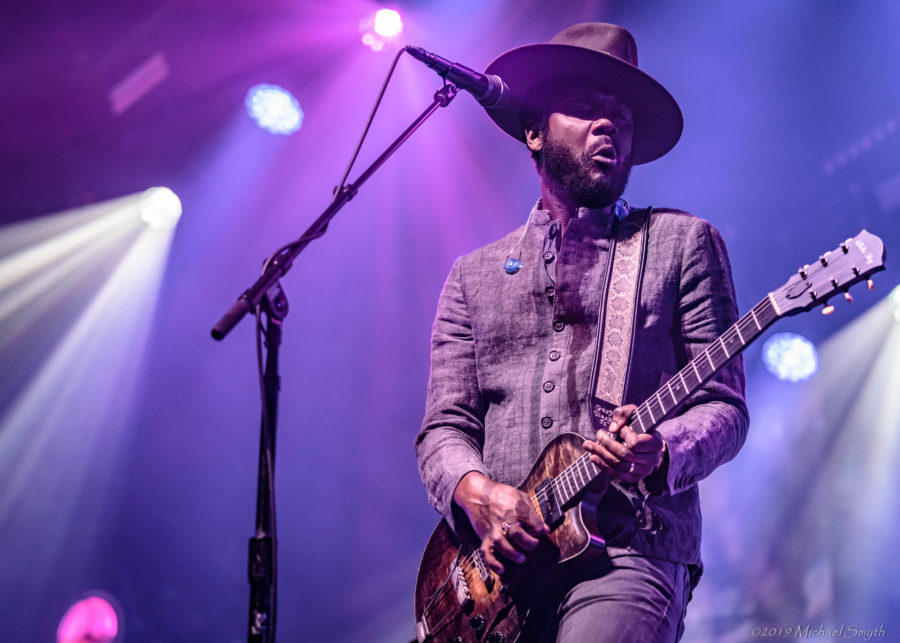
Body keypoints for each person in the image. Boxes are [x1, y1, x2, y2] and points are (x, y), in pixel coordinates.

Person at [414, 22, 748, 642]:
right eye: (588, 109)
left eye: (620, 117)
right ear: (534, 132)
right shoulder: (472, 276)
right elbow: (443, 429)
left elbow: (724, 408)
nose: (608, 126)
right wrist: (478, 492)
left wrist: (664, 450)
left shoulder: (682, 244)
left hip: (630, 550)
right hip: (495, 577)